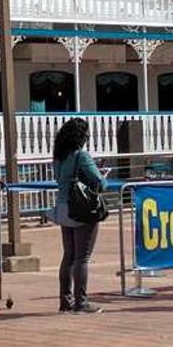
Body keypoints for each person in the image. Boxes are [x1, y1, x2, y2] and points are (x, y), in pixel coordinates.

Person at [49, 118, 106, 313]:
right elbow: (98, 180)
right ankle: (81, 302)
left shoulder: (59, 157)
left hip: (63, 208)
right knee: (82, 258)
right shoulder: (81, 156)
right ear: (81, 136)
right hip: (82, 210)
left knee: (69, 256)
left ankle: (65, 301)